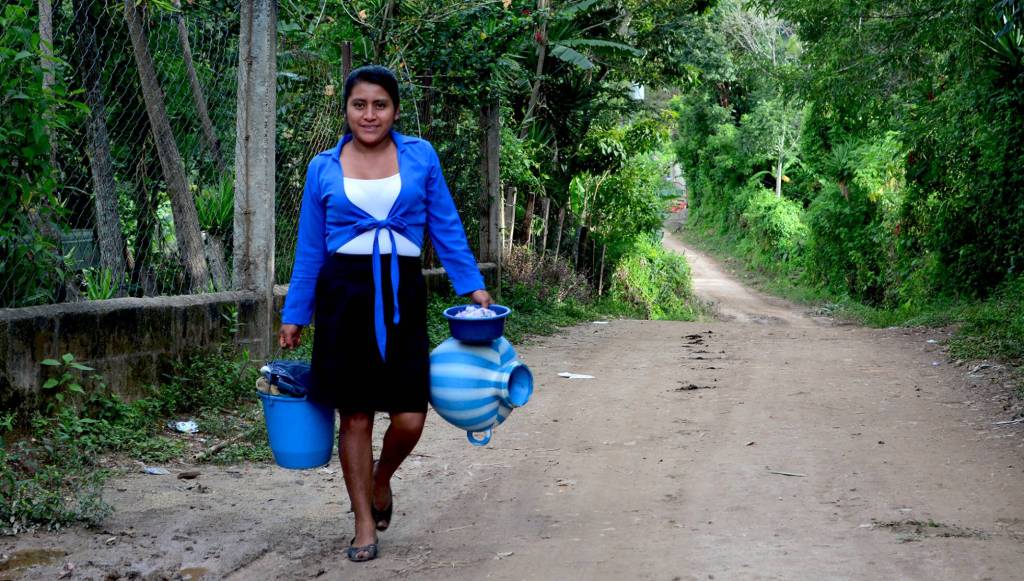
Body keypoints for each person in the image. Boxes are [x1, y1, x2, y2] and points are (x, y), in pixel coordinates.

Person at [278, 65, 492, 562]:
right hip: (342, 298)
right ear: (346, 109)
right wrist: (296, 313)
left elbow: (446, 225)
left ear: (395, 110)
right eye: (359, 105)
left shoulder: (420, 156)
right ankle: (362, 524)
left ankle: (381, 478)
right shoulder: (322, 167)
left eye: (380, 105)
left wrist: (473, 287)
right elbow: (310, 249)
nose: (369, 114)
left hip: (402, 292)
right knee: (353, 416)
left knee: (411, 417)